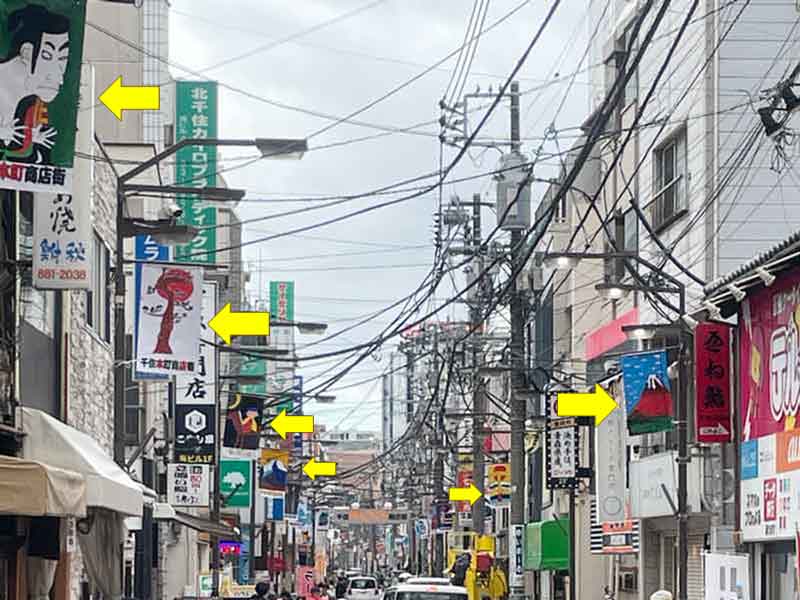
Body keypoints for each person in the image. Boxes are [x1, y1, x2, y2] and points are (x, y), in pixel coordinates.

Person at [0, 4, 69, 161]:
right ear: (27, 52)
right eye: (47, 56)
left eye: (63, 59)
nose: (58, 76)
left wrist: (32, 138)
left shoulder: (32, 96)